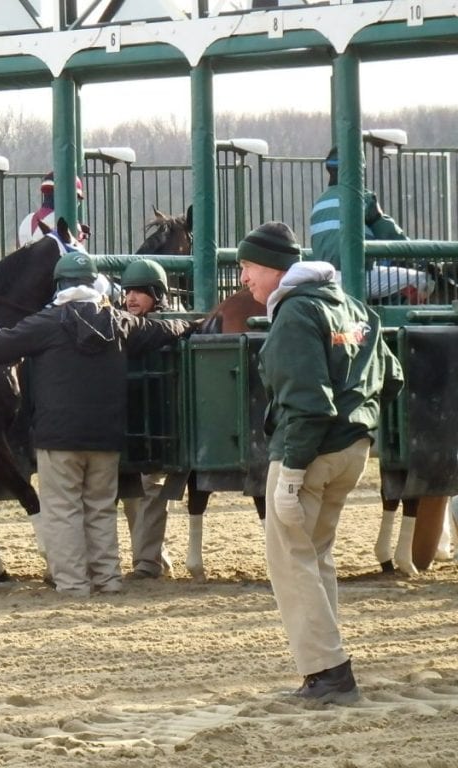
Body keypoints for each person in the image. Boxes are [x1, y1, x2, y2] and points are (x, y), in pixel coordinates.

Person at [0, 251, 197, 596]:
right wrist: (190, 324)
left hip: (58, 439)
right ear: (94, 283)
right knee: (100, 509)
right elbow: (162, 329)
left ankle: (72, 584)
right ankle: (109, 580)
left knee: (63, 511)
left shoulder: (44, 323)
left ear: (58, 285)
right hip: (106, 439)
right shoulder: (118, 322)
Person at [237, 221, 404, 704]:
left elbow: (308, 402)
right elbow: (390, 377)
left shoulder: (295, 314)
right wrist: (358, 418)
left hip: (306, 453)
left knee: (290, 562)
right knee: (315, 556)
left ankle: (329, 674)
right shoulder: (353, 306)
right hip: (352, 450)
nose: (244, 279)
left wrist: (290, 472)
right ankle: (327, 668)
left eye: (247, 267)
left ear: (272, 268)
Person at [118, 258, 175, 579]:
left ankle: (147, 561)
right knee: (132, 491)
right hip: (130, 423)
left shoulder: (166, 324)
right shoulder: (119, 323)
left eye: (140, 292)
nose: (131, 298)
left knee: (151, 488)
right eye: (128, 292)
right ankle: (152, 556)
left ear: (157, 294)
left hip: (161, 425)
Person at [309, 147, 426, 303]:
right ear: (359, 170)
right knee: (421, 279)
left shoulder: (317, 205)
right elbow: (390, 234)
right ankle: (409, 319)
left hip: (325, 281)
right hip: (358, 278)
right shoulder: (362, 196)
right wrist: (416, 253)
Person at [17, 171, 90, 248]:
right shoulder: (66, 222)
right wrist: (80, 234)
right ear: (67, 196)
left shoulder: (27, 220)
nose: (78, 202)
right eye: (77, 197)